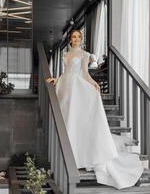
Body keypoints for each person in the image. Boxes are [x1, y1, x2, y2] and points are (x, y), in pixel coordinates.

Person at [46, 30, 143, 189]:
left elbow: (84, 73)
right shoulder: (66, 55)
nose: (76, 39)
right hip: (67, 90)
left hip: (78, 89)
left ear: (81, 39)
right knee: (69, 120)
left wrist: (93, 83)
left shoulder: (84, 55)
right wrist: (55, 79)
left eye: (78, 37)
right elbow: (66, 74)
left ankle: (81, 157)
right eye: (73, 37)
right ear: (70, 39)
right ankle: (71, 158)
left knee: (77, 120)